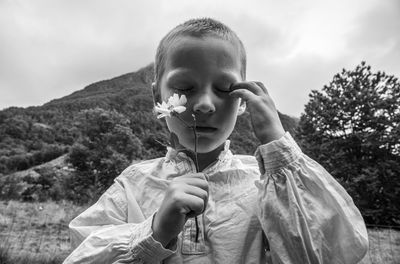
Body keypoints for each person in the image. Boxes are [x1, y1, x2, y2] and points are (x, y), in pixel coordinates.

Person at [63, 18, 369, 264]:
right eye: (184, 87)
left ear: (243, 100)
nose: (206, 104)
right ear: (159, 96)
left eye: (225, 88)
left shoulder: (267, 184)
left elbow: (336, 251)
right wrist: (153, 233)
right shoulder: (131, 185)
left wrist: (280, 149)